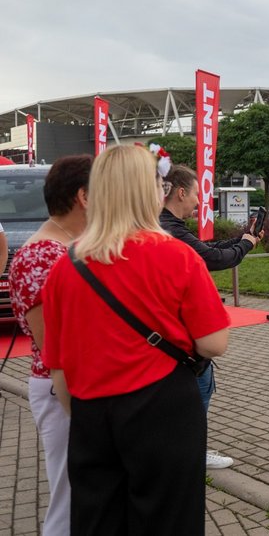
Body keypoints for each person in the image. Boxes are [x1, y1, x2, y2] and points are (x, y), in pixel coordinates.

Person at [41, 144, 230, 535]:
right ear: (148, 192)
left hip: (91, 412)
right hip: (163, 408)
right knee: (169, 519)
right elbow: (214, 343)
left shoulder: (66, 266)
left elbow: (57, 365)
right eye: (159, 183)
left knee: (97, 519)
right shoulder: (177, 256)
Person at [9, 154, 92, 536]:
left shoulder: (68, 247)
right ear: (84, 197)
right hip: (64, 389)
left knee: (83, 491)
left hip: (73, 385)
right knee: (70, 495)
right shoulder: (43, 255)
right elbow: (53, 346)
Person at [160, 164, 262, 470]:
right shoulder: (170, 229)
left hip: (167, 332)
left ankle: (182, 447)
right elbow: (211, 259)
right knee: (200, 388)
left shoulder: (163, 226)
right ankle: (191, 452)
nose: (198, 202)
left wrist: (242, 241)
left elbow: (204, 250)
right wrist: (245, 244)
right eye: (196, 194)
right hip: (182, 334)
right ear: (180, 193)